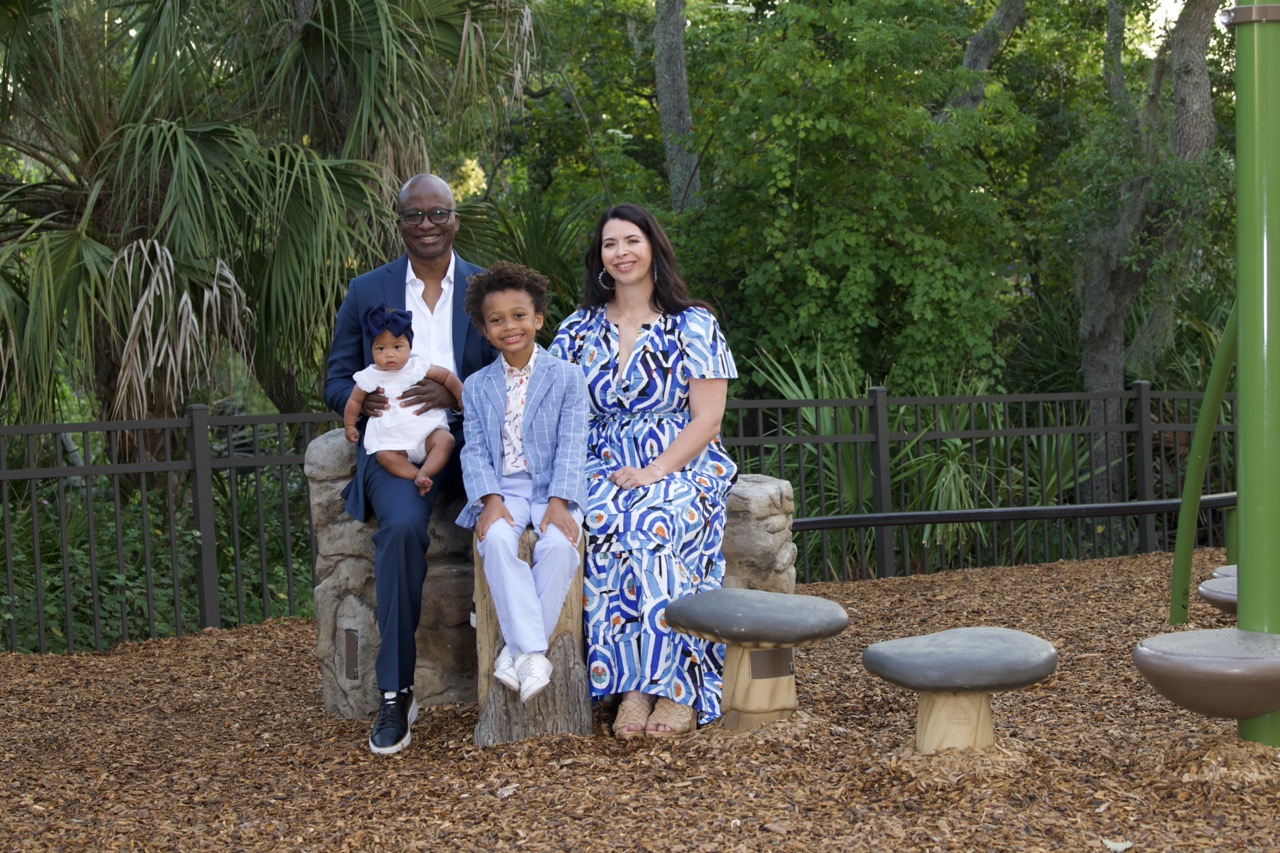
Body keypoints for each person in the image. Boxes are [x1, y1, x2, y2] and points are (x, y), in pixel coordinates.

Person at [548, 203, 737, 738]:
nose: (621, 252)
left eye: (631, 240)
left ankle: (676, 686)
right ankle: (633, 685)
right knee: (605, 527)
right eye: (610, 244)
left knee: (654, 522)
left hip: (680, 460)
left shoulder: (693, 323)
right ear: (600, 258)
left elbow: (709, 418)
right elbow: (551, 405)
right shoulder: (577, 329)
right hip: (600, 462)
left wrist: (655, 470)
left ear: (653, 246)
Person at [324, 174, 495, 755]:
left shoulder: (483, 287)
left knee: (524, 515)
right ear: (398, 223)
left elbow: (512, 368)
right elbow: (333, 378)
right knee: (398, 529)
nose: (427, 225)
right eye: (414, 215)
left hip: (472, 440)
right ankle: (395, 691)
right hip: (396, 449)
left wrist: (457, 395)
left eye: (438, 213)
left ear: (454, 219)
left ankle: (526, 669)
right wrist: (362, 400)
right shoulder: (367, 289)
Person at [455, 262, 589, 703]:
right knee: (494, 542)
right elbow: (473, 449)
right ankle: (533, 653)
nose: (509, 326)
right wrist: (489, 500)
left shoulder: (567, 376)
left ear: (538, 319)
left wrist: (560, 501)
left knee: (558, 547)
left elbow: (572, 442)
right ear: (483, 328)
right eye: (496, 320)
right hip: (503, 490)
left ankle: (517, 653)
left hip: (552, 488)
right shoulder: (476, 387)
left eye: (518, 316)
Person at [343, 304, 464, 496]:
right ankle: (417, 475)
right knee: (384, 456)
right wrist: (349, 425)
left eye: (397, 347)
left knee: (445, 440)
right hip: (394, 441)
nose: (389, 354)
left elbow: (447, 377)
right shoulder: (369, 376)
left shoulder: (418, 366)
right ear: (372, 350)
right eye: (380, 348)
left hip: (427, 432)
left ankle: (427, 470)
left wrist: (461, 398)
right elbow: (355, 401)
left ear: (410, 346)